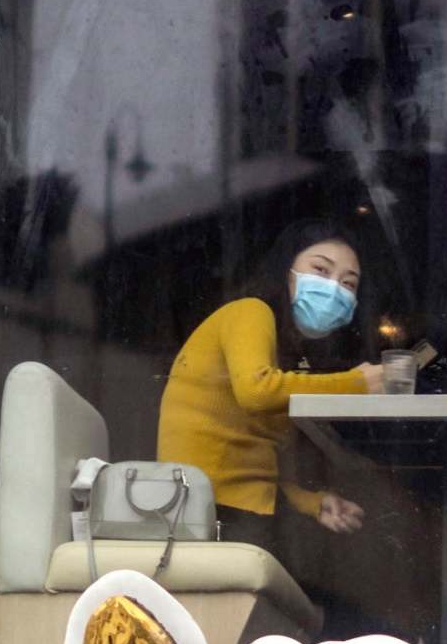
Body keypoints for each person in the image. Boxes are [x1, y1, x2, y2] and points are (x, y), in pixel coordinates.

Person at [158, 219, 385, 571]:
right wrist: (356, 384)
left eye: (348, 283)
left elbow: (250, 467)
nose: (333, 289)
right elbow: (256, 392)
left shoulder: (286, 352)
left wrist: (312, 503)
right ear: (287, 270)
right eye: (321, 270)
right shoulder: (251, 311)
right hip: (206, 511)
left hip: (231, 510)